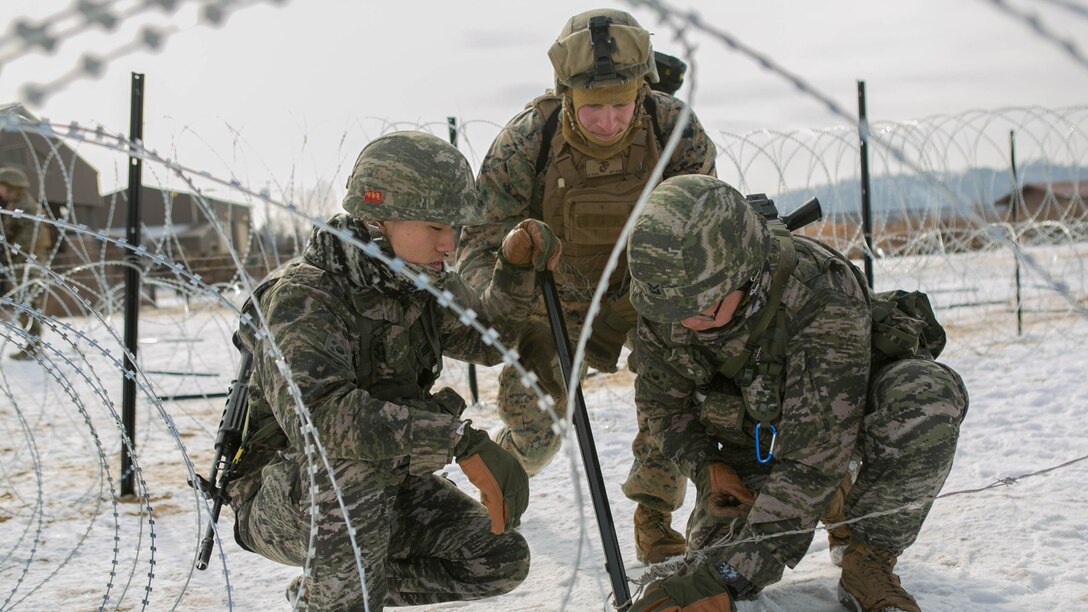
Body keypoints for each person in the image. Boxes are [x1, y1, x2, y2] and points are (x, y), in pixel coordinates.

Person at [225, 131, 561, 610]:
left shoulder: (418, 279)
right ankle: (339, 599)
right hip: (289, 496)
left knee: (497, 555)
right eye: (433, 227)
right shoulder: (307, 297)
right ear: (376, 219)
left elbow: (487, 341)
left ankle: (327, 593)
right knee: (349, 463)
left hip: (384, 483)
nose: (449, 244)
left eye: (455, 228)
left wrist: (513, 266)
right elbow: (319, 420)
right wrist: (457, 441)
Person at [625, 175, 969, 611]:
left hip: (833, 434)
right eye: (675, 311)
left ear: (745, 273)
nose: (685, 322)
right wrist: (707, 466)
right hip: (751, 445)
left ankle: (868, 560)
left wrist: (729, 578)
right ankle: (828, 500)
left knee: (926, 397)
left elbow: (816, 455)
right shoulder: (671, 293)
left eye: (704, 308)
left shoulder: (822, 292)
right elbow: (661, 406)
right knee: (706, 564)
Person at [455, 7, 717, 564]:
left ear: (642, 91)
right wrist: (508, 283)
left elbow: (706, 221)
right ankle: (505, 476)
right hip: (555, 306)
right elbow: (476, 243)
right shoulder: (528, 140)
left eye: (621, 105)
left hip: (642, 297)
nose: (607, 120)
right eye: (592, 107)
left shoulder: (674, 130)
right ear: (567, 92)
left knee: (676, 390)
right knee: (537, 429)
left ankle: (655, 518)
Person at [0, 166, 53, 360]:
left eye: (2, 187)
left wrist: (9, 252)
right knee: (21, 303)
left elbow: (29, 236)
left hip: (27, 263)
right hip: (21, 262)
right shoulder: (14, 205)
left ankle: (34, 346)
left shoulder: (25, 207)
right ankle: (32, 346)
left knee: (26, 303)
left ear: (11, 186)